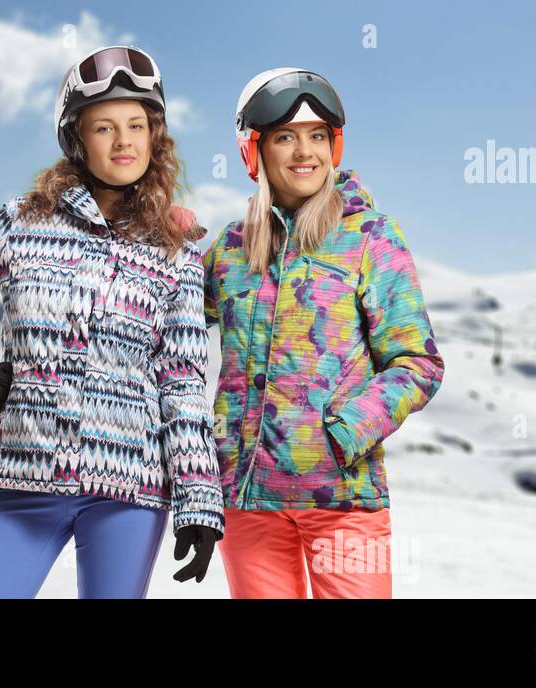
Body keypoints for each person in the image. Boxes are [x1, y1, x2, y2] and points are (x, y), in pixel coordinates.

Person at [0, 46, 224, 598]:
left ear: (155, 137)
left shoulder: (176, 251)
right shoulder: (22, 221)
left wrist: (198, 501)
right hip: (21, 479)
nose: (124, 141)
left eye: (136, 125)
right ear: (78, 139)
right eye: (105, 127)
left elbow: (182, 380)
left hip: (130, 490)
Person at [203, 68, 444, 598]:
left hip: (344, 500)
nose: (303, 152)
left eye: (317, 136)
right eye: (285, 137)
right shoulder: (231, 248)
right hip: (246, 502)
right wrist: (158, 233)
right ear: (255, 152)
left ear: (334, 146)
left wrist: (339, 435)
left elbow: (417, 364)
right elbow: (163, 321)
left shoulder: (370, 236)